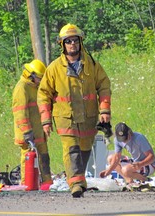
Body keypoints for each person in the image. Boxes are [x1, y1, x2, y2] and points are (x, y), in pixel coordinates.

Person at [37, 23, 111, 198]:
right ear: (62, 44)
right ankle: (75, 184)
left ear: (80, 42)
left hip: (88, 116)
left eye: (75, 40)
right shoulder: (54, 68)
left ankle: (80, 180)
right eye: (68, 41)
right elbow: (43, 94)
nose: (72, 44)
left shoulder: (92, 65)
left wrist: (105, 110)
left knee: (85, 149)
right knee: (71, 149)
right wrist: (46, 120)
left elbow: (104, 86)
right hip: (65, 117)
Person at [12, 59, 53, 190]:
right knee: (29, 159)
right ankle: (27, 185)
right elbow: (20, 113)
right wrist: (27, 132)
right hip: (28, 134)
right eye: (40, 78)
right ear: (31, 75)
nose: (41, 81)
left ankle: (47, 183)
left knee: (44, 158)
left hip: (38, 133)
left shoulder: (35, 88)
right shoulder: (21, 88)